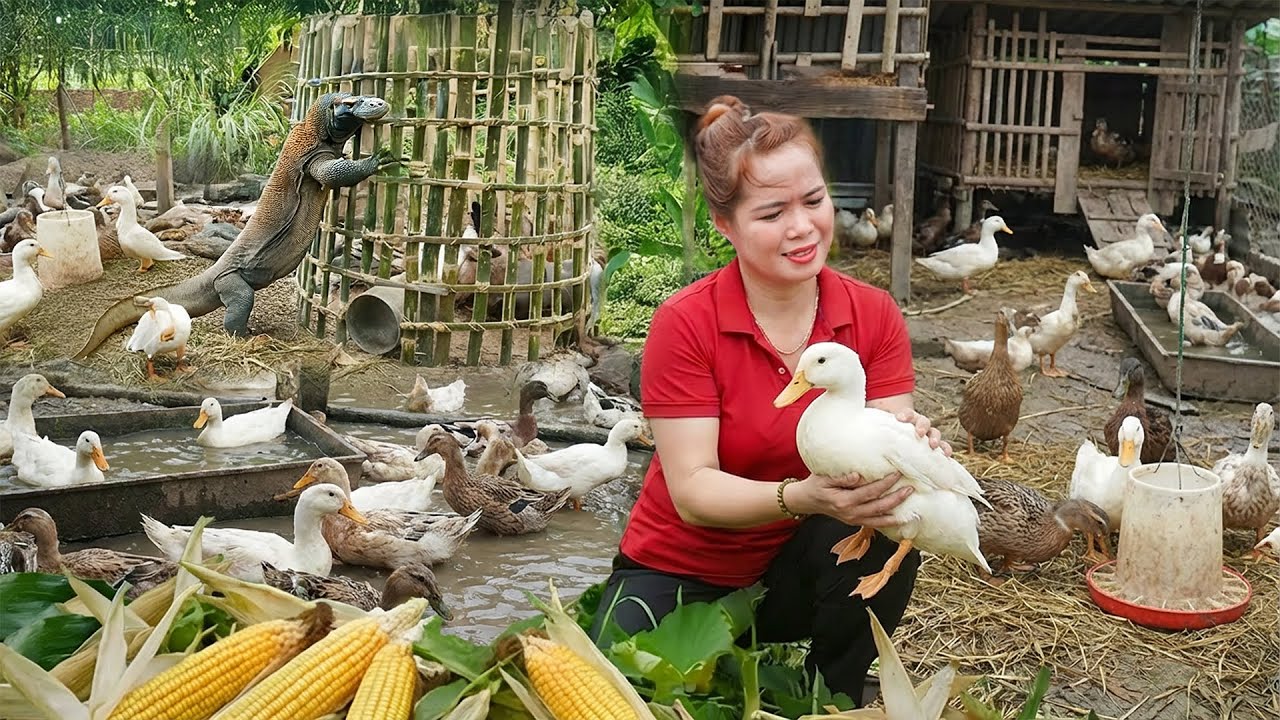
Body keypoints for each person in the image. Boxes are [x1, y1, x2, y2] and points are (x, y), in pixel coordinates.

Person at [588, 95, 954, 704]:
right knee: (621, 687)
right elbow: (694, 490)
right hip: (683, 567)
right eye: (772, 212)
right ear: (724, 225)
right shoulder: (686, 323)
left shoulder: (871, 314)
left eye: (813, 201)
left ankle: (833, 696)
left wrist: (916, 447)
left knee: (889, 522)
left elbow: (885, 442)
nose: (802, 227)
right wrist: (801, 496)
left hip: (801, 567)